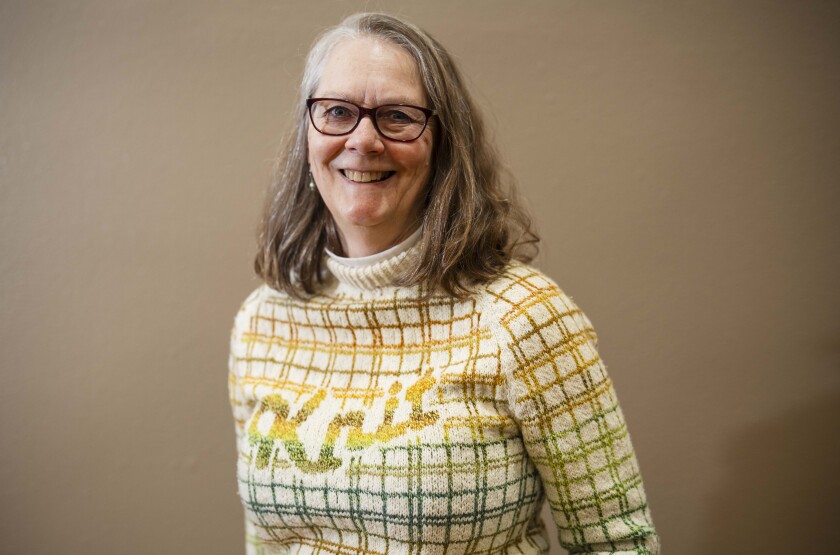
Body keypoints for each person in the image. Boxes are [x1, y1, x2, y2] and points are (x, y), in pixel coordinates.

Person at [228, 12, 659, 555]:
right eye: (337, 112)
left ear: (444, 145)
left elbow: (618, 543)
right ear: (307, 137)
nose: (363, 140)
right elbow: (264, 544)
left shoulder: (524, 317)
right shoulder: (264, 322)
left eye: (397, 116)